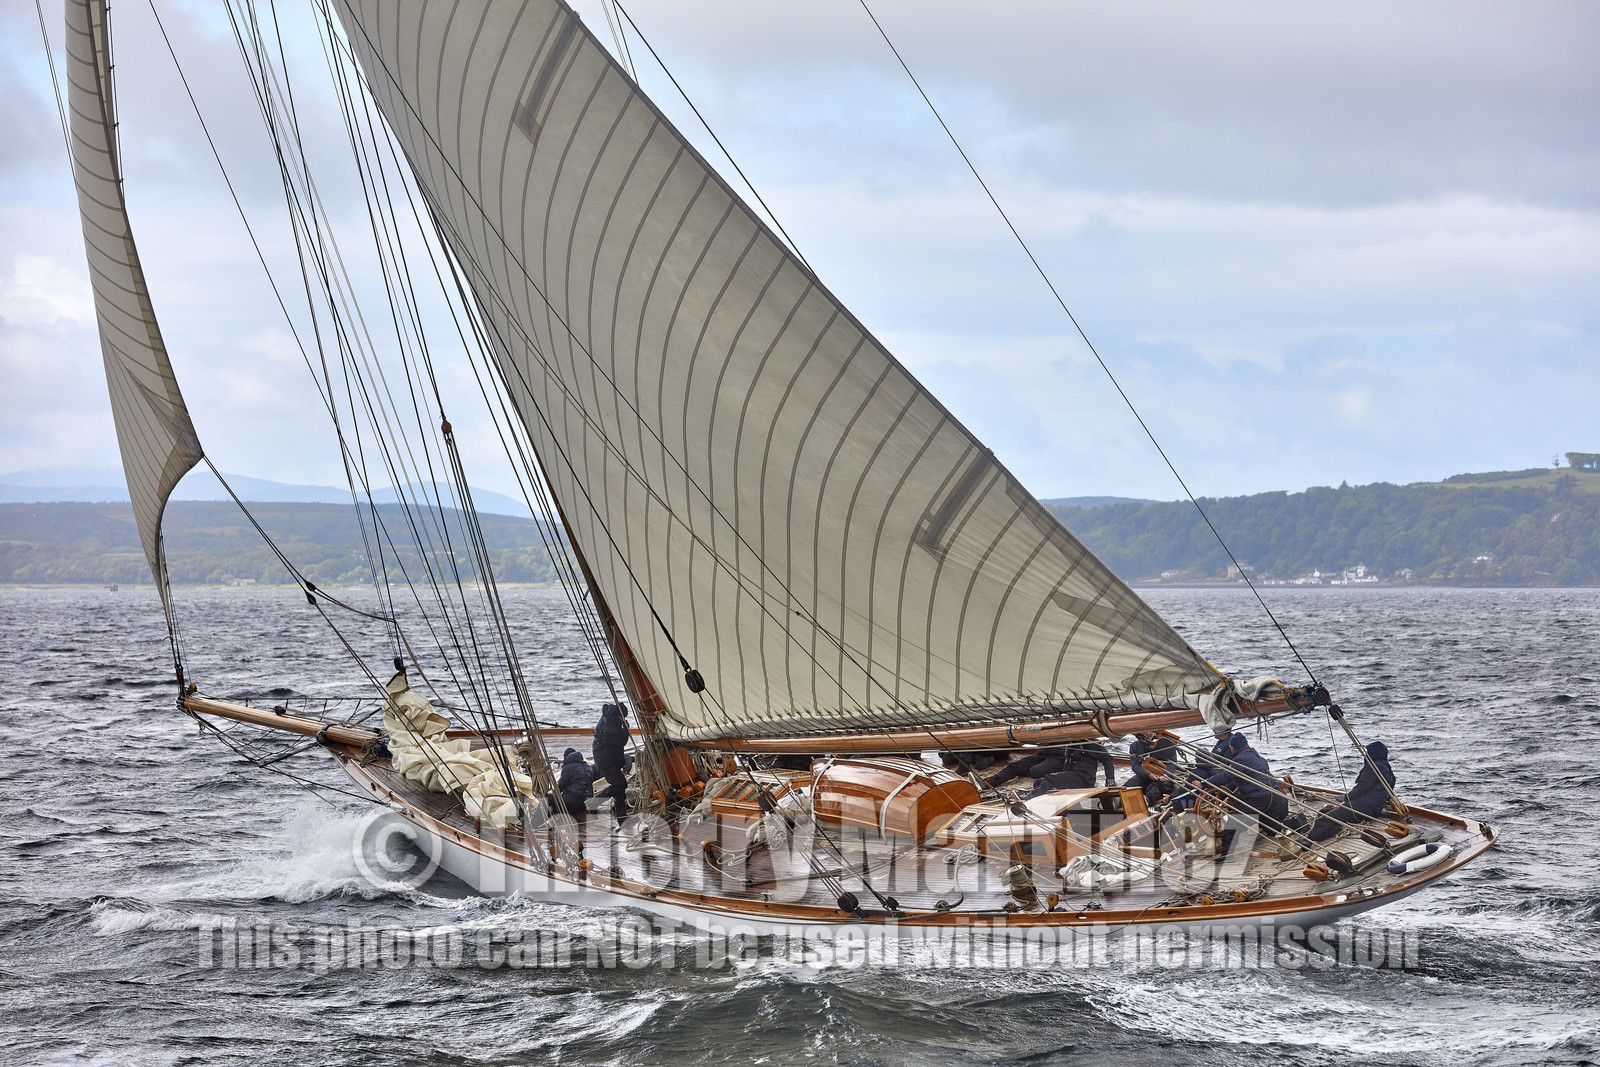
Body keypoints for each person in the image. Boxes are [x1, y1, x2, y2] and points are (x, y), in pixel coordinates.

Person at [1178, 730, 1289, 831]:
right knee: (1267, 824)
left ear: (1234, 747)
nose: (1230, 749)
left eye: (1230, 747)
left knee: (1231, 828)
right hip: (1276, 796)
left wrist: (1204, 784)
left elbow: (1226, 776)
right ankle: (1281, 832)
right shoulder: (1258, 757)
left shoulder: (1240, 760)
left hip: (1259, 798)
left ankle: (1227, 852)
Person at [1304, 741, 1396, 842]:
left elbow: (1362, 787)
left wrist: (1346, 799)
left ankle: (1308, 840)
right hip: (1373, 810)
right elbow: (1386, 794)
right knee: (1324, 812)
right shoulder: (1390, 773)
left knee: (1327, 818)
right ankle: (1331, 830)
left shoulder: (1374, 767)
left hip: (1362, 808)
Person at [1023, 740, 1118, 797]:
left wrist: (1110, 778)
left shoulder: (1092, 744)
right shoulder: (1072, 743)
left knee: (1050, 778)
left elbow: (1108, 759)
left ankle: (1030, 798)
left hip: (1084, 778)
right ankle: (1041, 800)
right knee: (1039, 782)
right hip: (1072, 774)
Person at [592, 702, 630, 816]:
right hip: (606, 760)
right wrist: (626, 730)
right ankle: (619, 813)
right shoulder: (610, 727)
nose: (623, 719)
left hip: (610, 758)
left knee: (621, 784)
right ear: (617, 715)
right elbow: (621, 741)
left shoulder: (609, 717)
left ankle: (619, 810)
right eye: (622, 717)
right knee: (619, 785)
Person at [1124, 730, 1179, 805]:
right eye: (1145, 731)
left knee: (1159, 786)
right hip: (1145, 775)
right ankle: (1117, 799)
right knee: (1131, 784)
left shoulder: (1166, 744)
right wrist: (1148, 775)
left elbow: (1172, 763)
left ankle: (1146, 800)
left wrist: (1165, 774)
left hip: (1162, 776)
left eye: (1151, 730)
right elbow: (1135, 766)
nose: (1148, 733)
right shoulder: (1135, 746)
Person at [985, 746, 1069, 788]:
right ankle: (990, 781)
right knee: (1015, 765)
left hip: (1060, 757)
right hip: (1043, 752)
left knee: (1036, 771)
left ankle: (1025, 772)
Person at [549, 747, 594, 819]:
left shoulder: (568, 767)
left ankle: (534, 824)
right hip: (585, 803)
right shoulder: (587, 766)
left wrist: (551, 793)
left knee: (547, 798)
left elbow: (559, 787)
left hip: (573, 803)